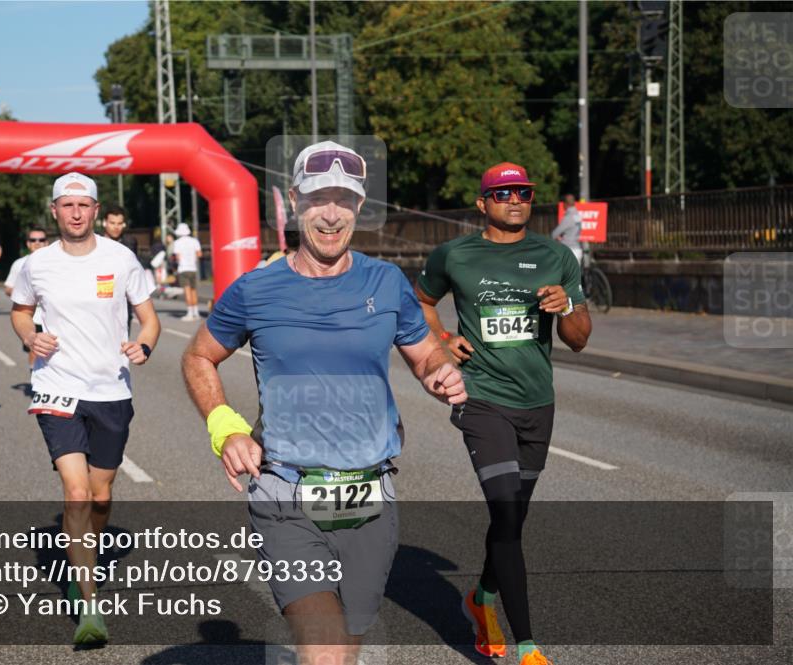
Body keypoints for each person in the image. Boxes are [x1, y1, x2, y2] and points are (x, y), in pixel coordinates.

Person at [181, 141, 467, 665]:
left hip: (370, 496)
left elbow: (425, 353)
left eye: (344, 199)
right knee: (326, 651)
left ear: (360, 207)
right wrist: (226, 426)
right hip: (286, 494)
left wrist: (440, 371)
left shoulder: (386, 282)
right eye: (318, 198)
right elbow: (199, 357)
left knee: (348, 642)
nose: (331, 214)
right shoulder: (255, 290)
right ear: (295, 201)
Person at [415, 162, 592, 665]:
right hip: (482, 400)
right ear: (483, 203)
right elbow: (422, 302)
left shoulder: (557, 256)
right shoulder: (455, 254)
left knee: (513, 520)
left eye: (523, 192)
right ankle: (529, 648)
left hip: (538, 404)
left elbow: (579, 340)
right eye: (503, 192)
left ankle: (482, 599)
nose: (515, 199)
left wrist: (564, 309)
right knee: (506, 511)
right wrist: (445, 340)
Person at [10, 173, 161, 646]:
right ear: (53, 210)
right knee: (76, 493)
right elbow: (19, 310)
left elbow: (149, 319)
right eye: (67, 204)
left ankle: (85, 558)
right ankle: (90, 608)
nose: (76, 212)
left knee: (100, 496)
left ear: (96, 211)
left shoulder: (122, 259)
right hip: (57, 388)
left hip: (111, 390)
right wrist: (29, 335)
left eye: (84, 205)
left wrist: (145, 346)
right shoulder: (35, 264)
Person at [4, 228, 48, 366]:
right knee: (35, 351)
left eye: (41, 240)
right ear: (28, 244)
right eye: (33, 240)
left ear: (46, 242)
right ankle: (34, 383)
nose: (37, 243)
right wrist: (27, 296)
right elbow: (8, 288)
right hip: (31, 316)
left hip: (51, 316)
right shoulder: (19, 264)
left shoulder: (57, 263)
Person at [101, 205, 140, 331]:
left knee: (122, 345)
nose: (116, 227)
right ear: (104, 223)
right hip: (100, 298)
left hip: (123, 300)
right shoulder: (94, 242)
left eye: (120, 223)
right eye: (112, 223)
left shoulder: (130, 243)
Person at [172, 223, 202, 320]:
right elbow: (199, 254)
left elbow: (178, 257)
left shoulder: (177, 243)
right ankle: (196, 312)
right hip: (193, 268)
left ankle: (189, 313)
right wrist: (193, 259)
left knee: (187, 290)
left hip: (183, 268)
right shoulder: (194, 241)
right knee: (194, 290)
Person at [551, 194, 583, 264]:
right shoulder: (577, 216)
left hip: (569, 251)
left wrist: (559, 237)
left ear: (566, 204)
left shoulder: (568, 217)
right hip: (577, 249)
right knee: (575, 275)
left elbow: (554, 234)